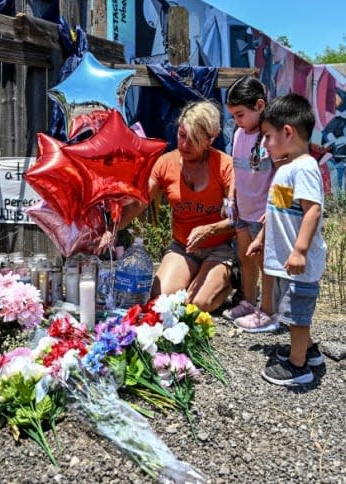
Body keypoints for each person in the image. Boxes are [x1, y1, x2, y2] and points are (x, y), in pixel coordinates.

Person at [118, 100, 235, 312]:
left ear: (211, 139)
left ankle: (232, 279)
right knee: (161, 301)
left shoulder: (225, 166)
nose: (185, 144)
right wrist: (111, 229)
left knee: (198, 304)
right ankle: (196, 278)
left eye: (194, 139)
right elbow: (138, 204)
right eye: (182, 135)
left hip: (219, 247)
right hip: (183, 247)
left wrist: (210, 229)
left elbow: (239, 218)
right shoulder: (165, 163)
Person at [246, 93, 328, 386]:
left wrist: (299, 251)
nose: (265, 144)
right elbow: (276, 212)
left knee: (297, 315)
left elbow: (312, 211)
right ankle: (307, 350)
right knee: (291, 310)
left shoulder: (304, 167)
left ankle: (298, 366)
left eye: (268, 136)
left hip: (297, 265)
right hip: (284, 261)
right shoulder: (287, 170)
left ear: (288, 132)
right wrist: (263, 239)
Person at [220, 76, 276, 331]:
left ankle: (268, 310)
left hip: (264, 215)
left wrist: (275, 209)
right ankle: (248, 302)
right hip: (243, 211)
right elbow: (236, 169)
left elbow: (282, 177)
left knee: (266, 264)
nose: (236, 121)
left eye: (240, 114)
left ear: (260, 106)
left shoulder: (272, 139)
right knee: (245, 259)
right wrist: (231, 197)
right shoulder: (239, 134)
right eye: (233, 115)